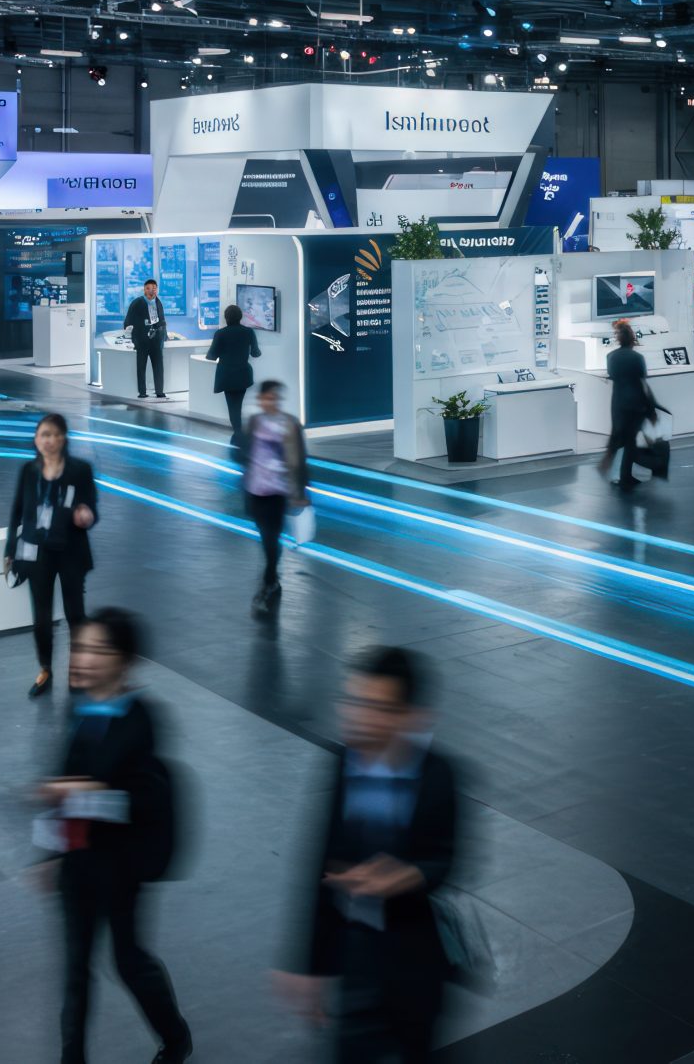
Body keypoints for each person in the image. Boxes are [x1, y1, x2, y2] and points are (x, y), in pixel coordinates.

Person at [274, 646, 460, 1062]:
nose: (359, 716)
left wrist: (407, 876)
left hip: (415, 962)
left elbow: (446, 859)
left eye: (377, 707)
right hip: (355, 952)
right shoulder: (344, 763)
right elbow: (319, 862)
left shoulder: (439, 775)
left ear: (409, 716)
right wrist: (310, 966)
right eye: (355, 701)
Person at [42, 609, 193, 1064]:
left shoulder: (141, 720)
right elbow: (64, 776)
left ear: (125, 661)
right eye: (80, 647)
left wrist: (88, 794)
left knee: (128, 961)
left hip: (120, 867)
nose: (83, 659)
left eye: (97, 650)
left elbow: (141, 802)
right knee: (75, 970)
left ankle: (175, 1037)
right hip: (78, 863)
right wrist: (49, 852)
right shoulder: (79, 705)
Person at [7, 413, 101, 700]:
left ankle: (78, 672)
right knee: (42, 617)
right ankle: (45, 669)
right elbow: (17, 512)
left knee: (76, 615)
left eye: (54, 434)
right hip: (37, 553)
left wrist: (86, 516)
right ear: (36, 440)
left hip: (71, 551)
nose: (48, 440)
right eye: (43, 435)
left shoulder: (80, 470)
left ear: (63, 438)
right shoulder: (28, 471)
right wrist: (10, 550)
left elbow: (92, 509)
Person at [241, 380, 310, 619]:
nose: (271, 402)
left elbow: (299, 460)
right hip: (256, 490)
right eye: (267, 398)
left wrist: (300, 492)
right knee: (266, 537)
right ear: (260, 399)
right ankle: (271, 576)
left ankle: (269, 580)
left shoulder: (289, 424)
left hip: (278, 492)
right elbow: (245, 454)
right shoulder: (254, 422)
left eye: (274, 398)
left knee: (271, 538)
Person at [599, 319, 654, 489]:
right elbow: (642, 379)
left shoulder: (611, 357)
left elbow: (612, 375)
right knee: (630, 440)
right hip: (635, 402)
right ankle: (625, 475)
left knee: (618, 437)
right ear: (632, 338)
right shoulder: (638, 358)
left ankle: (616, 473)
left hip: (618, 402)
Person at [203, 303, 260, 435]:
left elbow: (211, 356)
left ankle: (238, 431)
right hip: (243, 374)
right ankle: (239, 431)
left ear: (226, 318)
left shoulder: (220, 333)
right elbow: (256, 353)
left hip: (226, 375)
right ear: (240, 317)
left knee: (232, 406)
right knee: (238, 404)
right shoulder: (249, 332)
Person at [125, 279, 170, 399]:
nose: (151, 291)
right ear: (144, 290)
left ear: (157, 290)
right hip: (142, 340)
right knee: (141, 366)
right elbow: (128, 320)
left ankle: (159, 391)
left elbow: (162, 320)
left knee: (158, 366)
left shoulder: (158, 302)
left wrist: (164, 336)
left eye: (154, 288)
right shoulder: (137, 302)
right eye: (148, 288)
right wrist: (132, 336)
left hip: (156, 340)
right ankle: (142, 392)